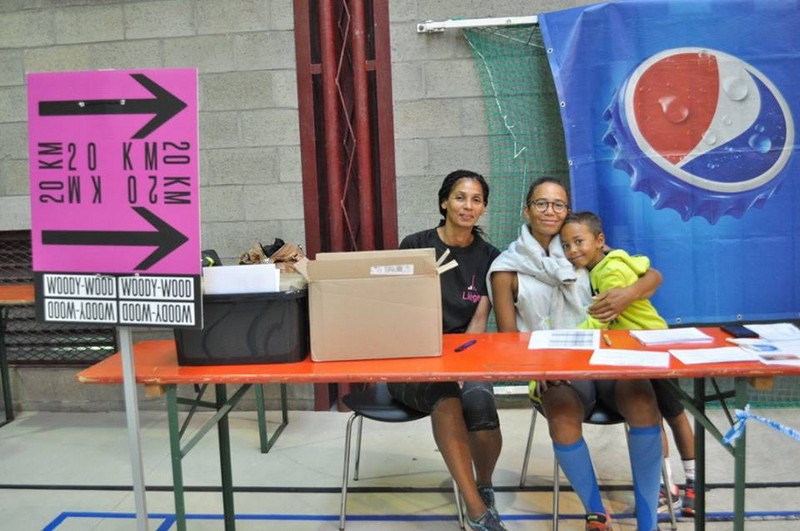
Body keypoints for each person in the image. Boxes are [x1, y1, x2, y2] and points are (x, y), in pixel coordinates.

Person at [488, 177, 664, 531]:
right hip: (554, 368)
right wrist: (538, 368)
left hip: (605, 358)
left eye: (559, 204)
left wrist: (628, 294)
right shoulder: (506, 268)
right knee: (562, 412)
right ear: (526, 211)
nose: (550, 211)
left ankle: (648, 522)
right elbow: (509, 342)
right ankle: (596, 514)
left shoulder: (579, 247)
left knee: (644, 402)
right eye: (541, 203)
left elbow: (652, 276)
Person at [388, 169, 505, 531]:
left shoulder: (490, 256)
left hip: (464, 356)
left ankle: (483, 485)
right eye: (460, 197)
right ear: (444, 203)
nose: (468, 206)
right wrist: (437, 367)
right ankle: (477, 511)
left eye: (476, 200)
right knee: (447, 398)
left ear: (483, 208)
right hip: (414, 358)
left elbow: (479, 321)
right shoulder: (415, 246)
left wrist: (462, 370)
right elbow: (396, 311)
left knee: (481, 406)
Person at [560, 211, 696, 517]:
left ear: (599, 241)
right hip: (636, 352)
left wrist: (563, 342)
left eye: (579, 242)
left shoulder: (610, 272)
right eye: (566, 245)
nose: (572, 250)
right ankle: (670, 487)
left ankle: (687, 483)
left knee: (671, 414)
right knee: (661, 416)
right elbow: (646, 268)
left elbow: (600, 320)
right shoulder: (605, 263)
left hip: (651, 349)